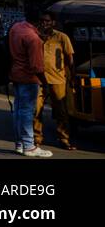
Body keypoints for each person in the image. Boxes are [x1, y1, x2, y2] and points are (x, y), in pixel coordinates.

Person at [9, 6, 52, 157]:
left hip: (16, 74)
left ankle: (20, 144)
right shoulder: (33, 39)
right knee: (27, 112)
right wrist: (45, 84)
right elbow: (37, 67)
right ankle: (29, 145)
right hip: (28, 78)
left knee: (18, 111)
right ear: (39, 21)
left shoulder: (16, 27)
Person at [35, 9, 76, 151]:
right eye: (42, 21)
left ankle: (64, 139)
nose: (44, 23)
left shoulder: (61, 37)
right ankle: (36, 139)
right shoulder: (35, 37)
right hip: (38, 80)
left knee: (61, 112)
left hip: (57, 79)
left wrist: (72, 77)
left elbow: (70, 59)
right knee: (36, 110)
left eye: (47, 21)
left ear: (53, 22)